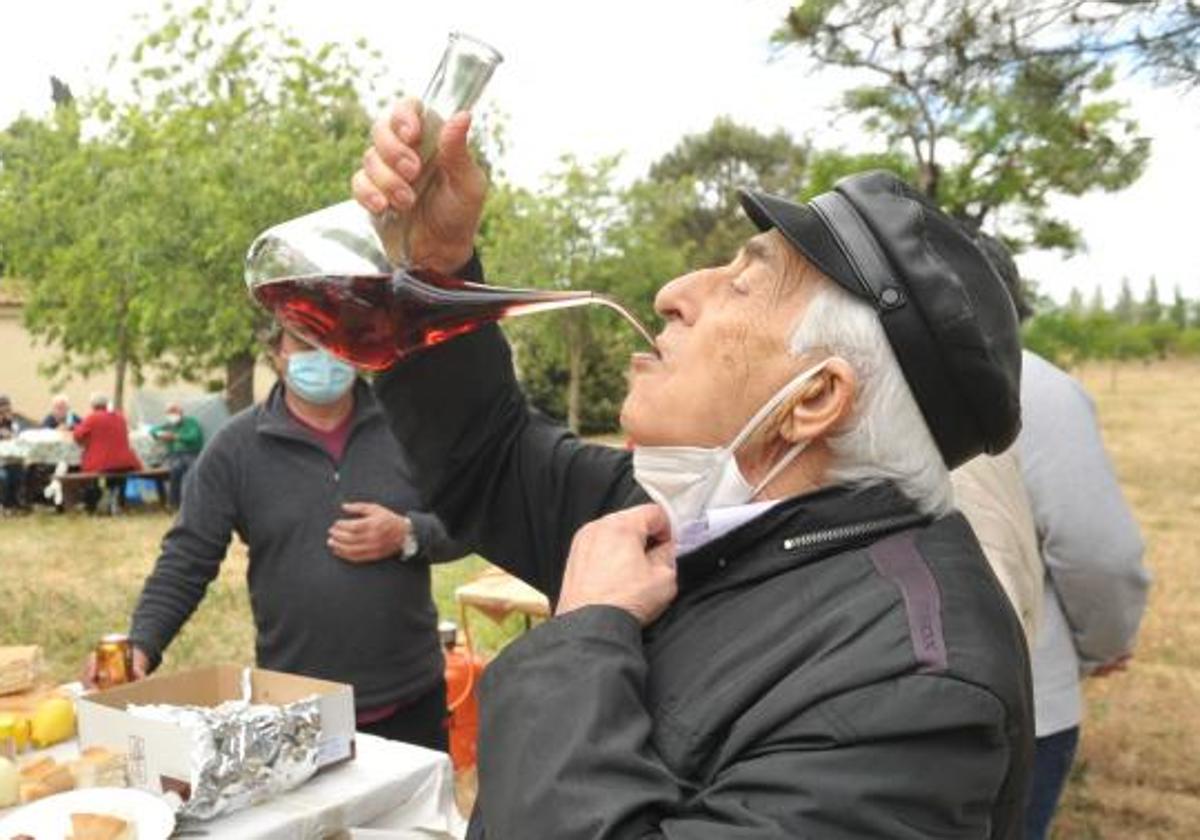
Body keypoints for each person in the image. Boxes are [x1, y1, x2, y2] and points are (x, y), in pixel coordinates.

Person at [353, 102, 1033, 837]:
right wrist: (434, 269)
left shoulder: (914, 692)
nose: (674, 292)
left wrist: (586, 631)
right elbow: (487, 457)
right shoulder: (695, 513)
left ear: (814, 401)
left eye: (742, 285)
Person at [86, 326, 469, 751]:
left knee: (411, 820)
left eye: (336, 339)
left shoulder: (408, 428)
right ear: (277, 352)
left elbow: (471, 521)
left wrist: (409, 534)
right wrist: (142, 644)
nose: (323, 356)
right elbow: (187, 559)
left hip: (410, 699)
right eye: (306, 342)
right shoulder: (236, 449)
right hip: (297, 704)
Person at [974, 235, 1150, 840]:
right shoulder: (1040, 390)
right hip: (1022, 699)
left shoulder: (855, 377)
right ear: (1012, 304)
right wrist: (1104, 645)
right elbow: (1101, 554)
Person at [72, 393, 143, 514]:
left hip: (102, 463)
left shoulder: (93, 418)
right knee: (116, 473)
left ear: (93, 405)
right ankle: (116, 499)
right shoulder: (120, 417)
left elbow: (77, 435)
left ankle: (92, 504)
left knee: (86, 472)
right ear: (106, 404)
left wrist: (76, 428)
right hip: (125, 462)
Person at [149, 401, 204, 509]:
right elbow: (153, 431)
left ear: (180, 413)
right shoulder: (169, 425)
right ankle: (173, 503)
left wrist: (176, 437)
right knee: (175, 470)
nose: (171, 415)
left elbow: (194, 436)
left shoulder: (191, 422)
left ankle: (194, 502)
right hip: (174, 455)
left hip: (191, 453)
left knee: (192, 471)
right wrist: (160, 434)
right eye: (169, 413)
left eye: (174, 412)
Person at [0, 394, 28, 512]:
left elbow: (18, 437)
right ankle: (5, 504)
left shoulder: (13, 423)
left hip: (11, 459)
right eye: (3, 411)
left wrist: (12, 431)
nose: (6, 413)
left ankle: (15, 503)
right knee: (4, 476)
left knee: (19, 470)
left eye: (8, 410)